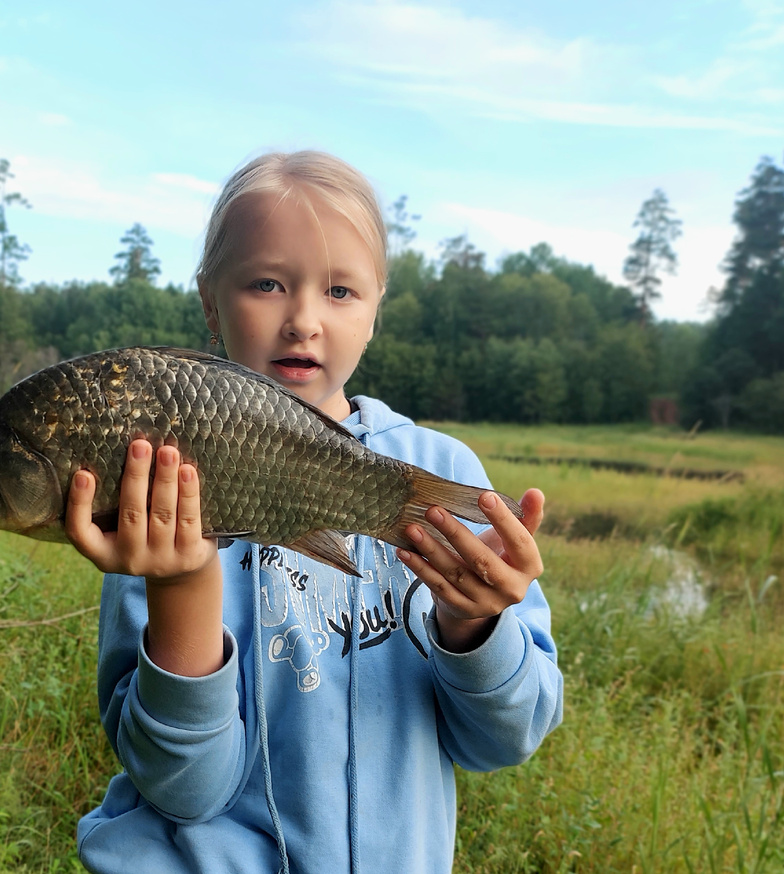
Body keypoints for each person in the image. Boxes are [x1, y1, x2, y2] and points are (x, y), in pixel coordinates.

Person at [65, 151, 563, 874]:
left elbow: (503, 741)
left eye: (339, 291)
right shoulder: (160, 486)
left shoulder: (443, 474)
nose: (302, 320)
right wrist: (182, 587)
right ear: (211, 300)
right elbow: (184, 790)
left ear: (374, 311)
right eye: (266, 283)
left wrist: (473, 623)